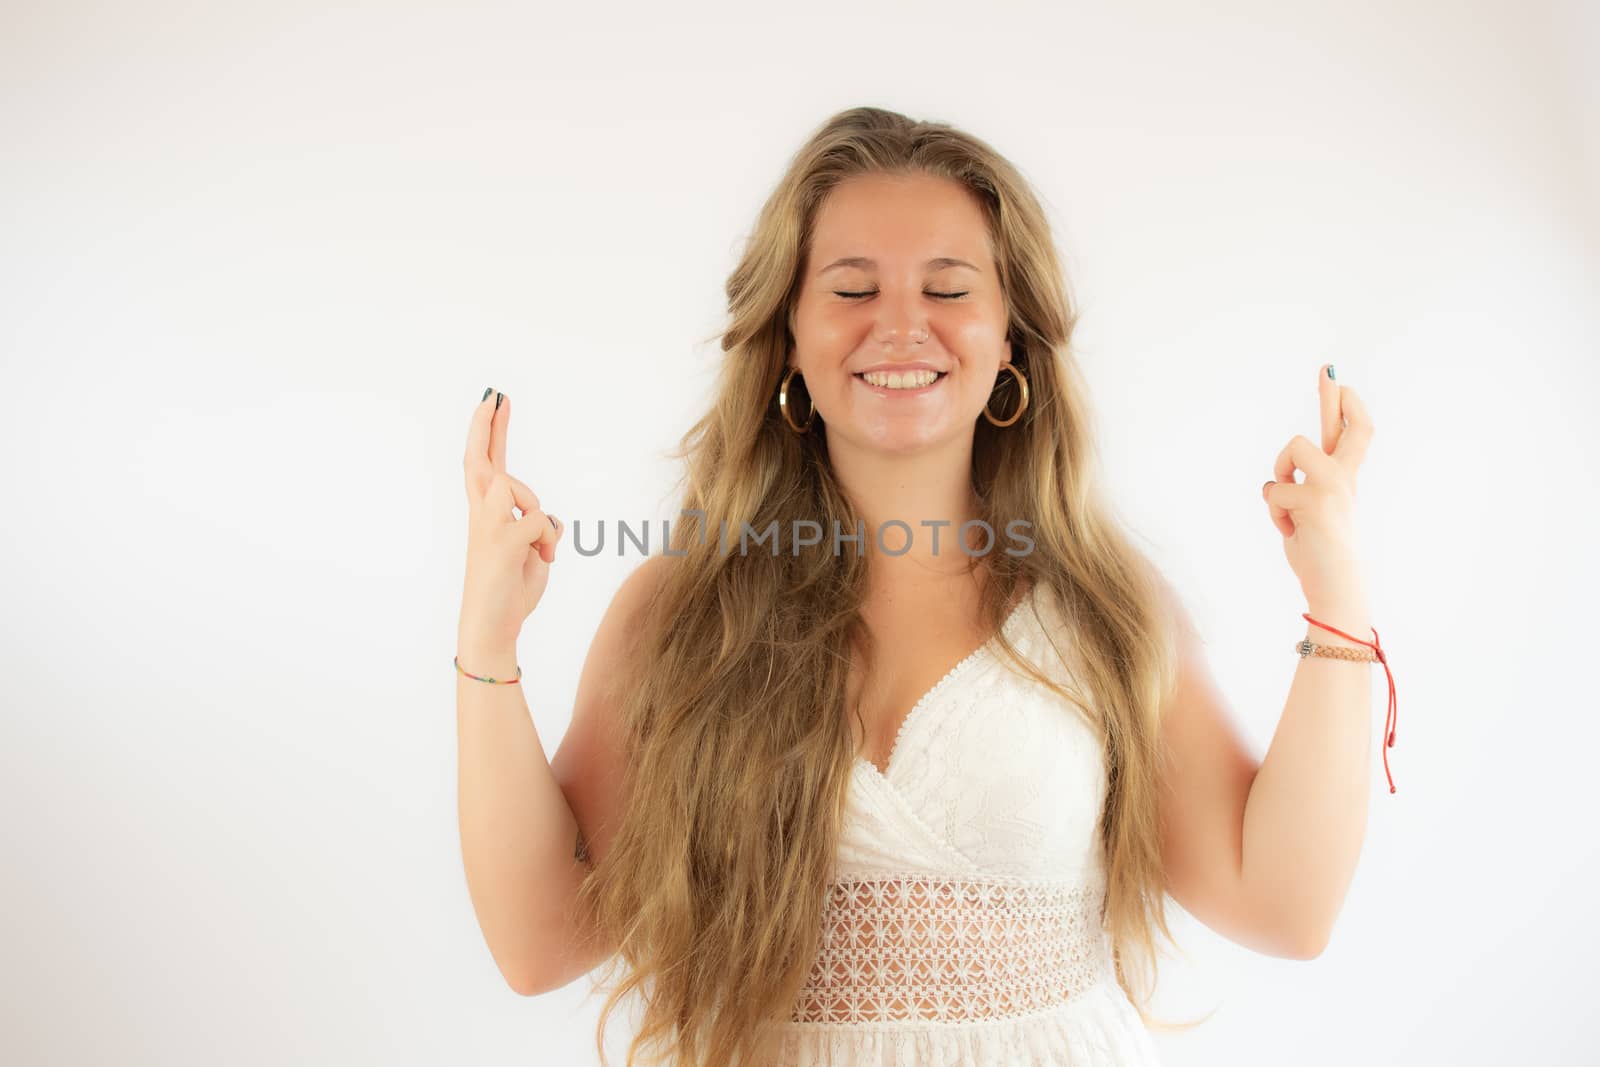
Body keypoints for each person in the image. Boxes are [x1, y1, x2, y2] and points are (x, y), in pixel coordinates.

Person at [454, 106, 1386, 1067]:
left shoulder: (1103, 605)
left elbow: (1284, 905)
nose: (901, 325)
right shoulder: (683, 612)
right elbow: (540, 943)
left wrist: (1337, 596)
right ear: (788, 339)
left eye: (948, 288)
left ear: (1011, 339)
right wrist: (488, 649)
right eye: (853, 288)